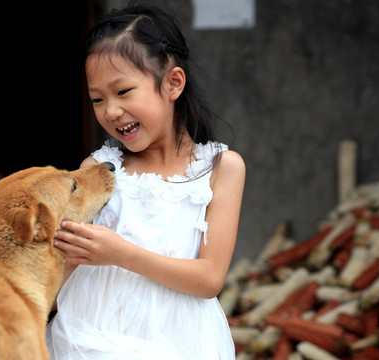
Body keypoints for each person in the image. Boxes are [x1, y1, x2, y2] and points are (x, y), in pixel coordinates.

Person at [46, 2, 245, 359]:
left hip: (180, 343)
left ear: (172, 83)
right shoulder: (98, 170)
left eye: (123, 92)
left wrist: (120, 254)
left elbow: (210, 278)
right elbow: (57, 271)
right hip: (90, 336)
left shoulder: (221, 168)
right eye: (97, 99)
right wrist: (67, 262)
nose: (111, 111)